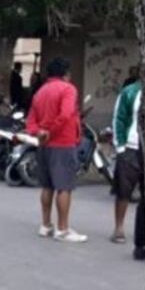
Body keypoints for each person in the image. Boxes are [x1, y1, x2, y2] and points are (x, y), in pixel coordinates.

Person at [26, 57, 88, 243]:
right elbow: (66, 113)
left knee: (47, 186)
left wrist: (39, 132)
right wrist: (50, 131)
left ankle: (46, 225)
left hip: (44, 144)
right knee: (64, 187)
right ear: (66, 73)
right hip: (62, 142)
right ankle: (63, 229)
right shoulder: (68, 89)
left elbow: (30, 121)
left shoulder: (40, 92)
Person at [110, 69, 145, 256]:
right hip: (131, 147)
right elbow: (119, 117)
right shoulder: (130, 92)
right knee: (124, 190)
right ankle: (119, 227)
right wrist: (120, 147)